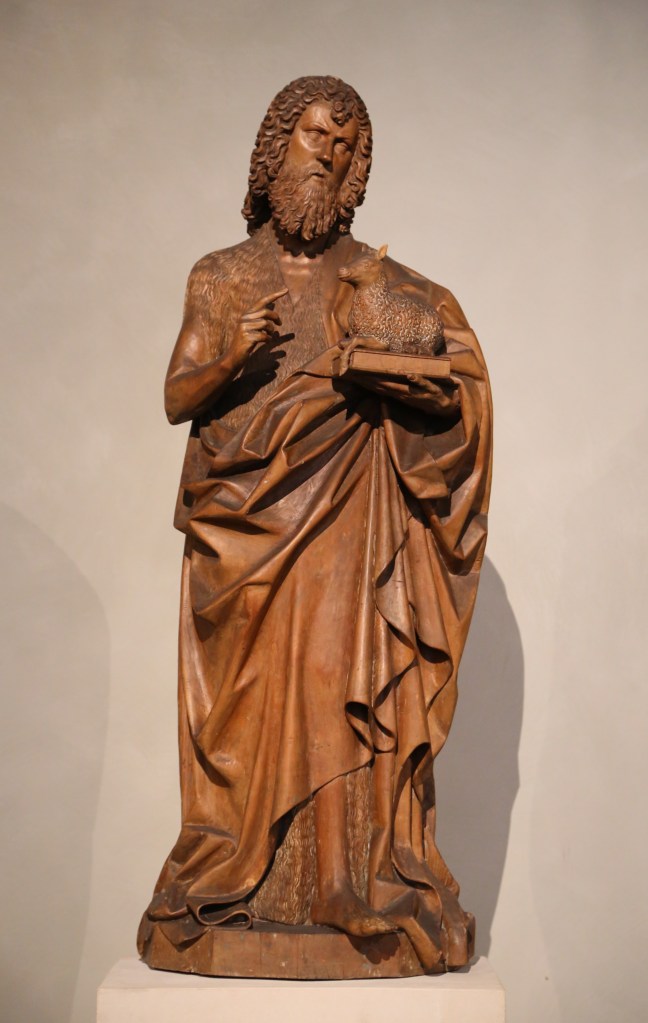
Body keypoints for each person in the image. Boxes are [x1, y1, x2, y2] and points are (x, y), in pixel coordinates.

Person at [138, 75, 492, 975]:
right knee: (254, 704)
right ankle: (243, 872)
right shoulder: (222, 273)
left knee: (343, 677)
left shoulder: (381, 277)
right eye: (314, 136)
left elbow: (448, 372)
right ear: (274, 147)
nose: (327, 155)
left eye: (345, 145)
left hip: (346, 502)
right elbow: (177, 395)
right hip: (244, 523)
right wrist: (235, 352)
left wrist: (418, 373)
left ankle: (342, 880)